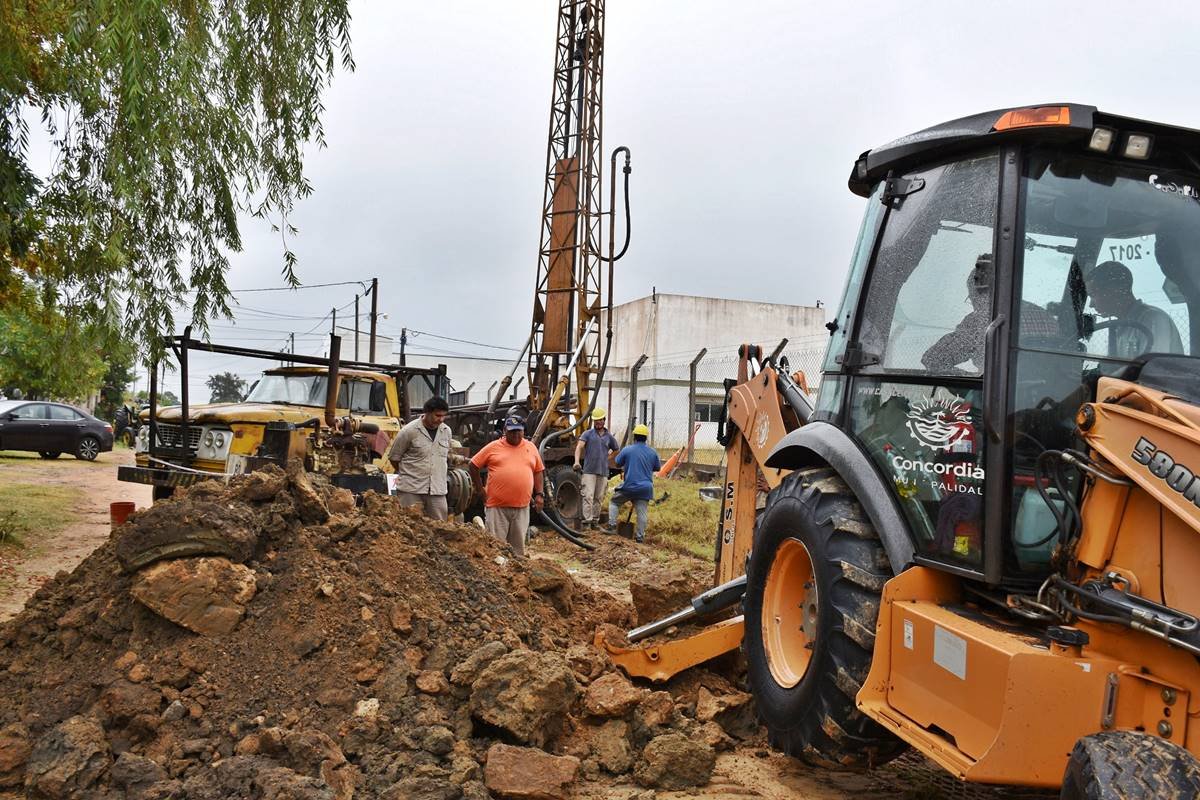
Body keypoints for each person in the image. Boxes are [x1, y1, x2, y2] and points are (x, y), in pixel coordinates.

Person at [922, 253, 1059, 371]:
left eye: (971, 297)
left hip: (1000, 397)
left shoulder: (980, 322)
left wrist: (974, 384)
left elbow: (933, 359)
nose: (974, 304)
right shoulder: (1047, 318)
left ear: (979, 293)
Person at [469, 416, 545, 558]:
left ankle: (518, 577)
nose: (516, 435)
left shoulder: (531, 447)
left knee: (518, 550)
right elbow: (473, 465)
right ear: (504, 431)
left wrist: (539, 494)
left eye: (519, 431)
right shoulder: (494, 447)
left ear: (523, 431)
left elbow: (538, 471)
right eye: (512, 431)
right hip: (497, 507)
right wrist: (480, 489)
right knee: (496, 549)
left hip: (522, 508)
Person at [1085, 260, 1184, 359]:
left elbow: (1151, 369)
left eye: (1093, 295)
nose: (1091, 305)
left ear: (1116, 291)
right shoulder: (1121, 326)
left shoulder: (1152, 320)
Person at [387, 396, 455, 521]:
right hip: (411, 490)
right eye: (437, 415)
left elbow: (446, 456)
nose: (441, 419)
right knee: (409, 525)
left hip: (437, 490)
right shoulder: (408, 431)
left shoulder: (446, 431)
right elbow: (394, 458)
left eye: (443, 416)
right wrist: (408, 474)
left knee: (440, 527)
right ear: (427, 413)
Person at [606, 424, 661, 543]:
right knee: (642, 512)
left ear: (634, 436)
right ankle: (640, 537)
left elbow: (617, 463)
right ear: (646, 438)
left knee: (614, 502)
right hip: (645, 488)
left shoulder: (628, 449)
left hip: (629, 486)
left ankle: (611, 526)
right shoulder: (652, 452)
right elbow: (657, 468)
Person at [573, 407, 619, 530]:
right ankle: (586, 522)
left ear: (604, 420)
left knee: (598, 497)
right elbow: (579, 447)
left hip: (603, 472)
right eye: (596, 421)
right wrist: (577, 461)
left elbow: (616, 449)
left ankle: (595, 521)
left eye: (600, 420)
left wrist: (607, 458)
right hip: (589, 471)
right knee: (588, 496)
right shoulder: (587, 434)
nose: (598, 423)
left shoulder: (609, 436)